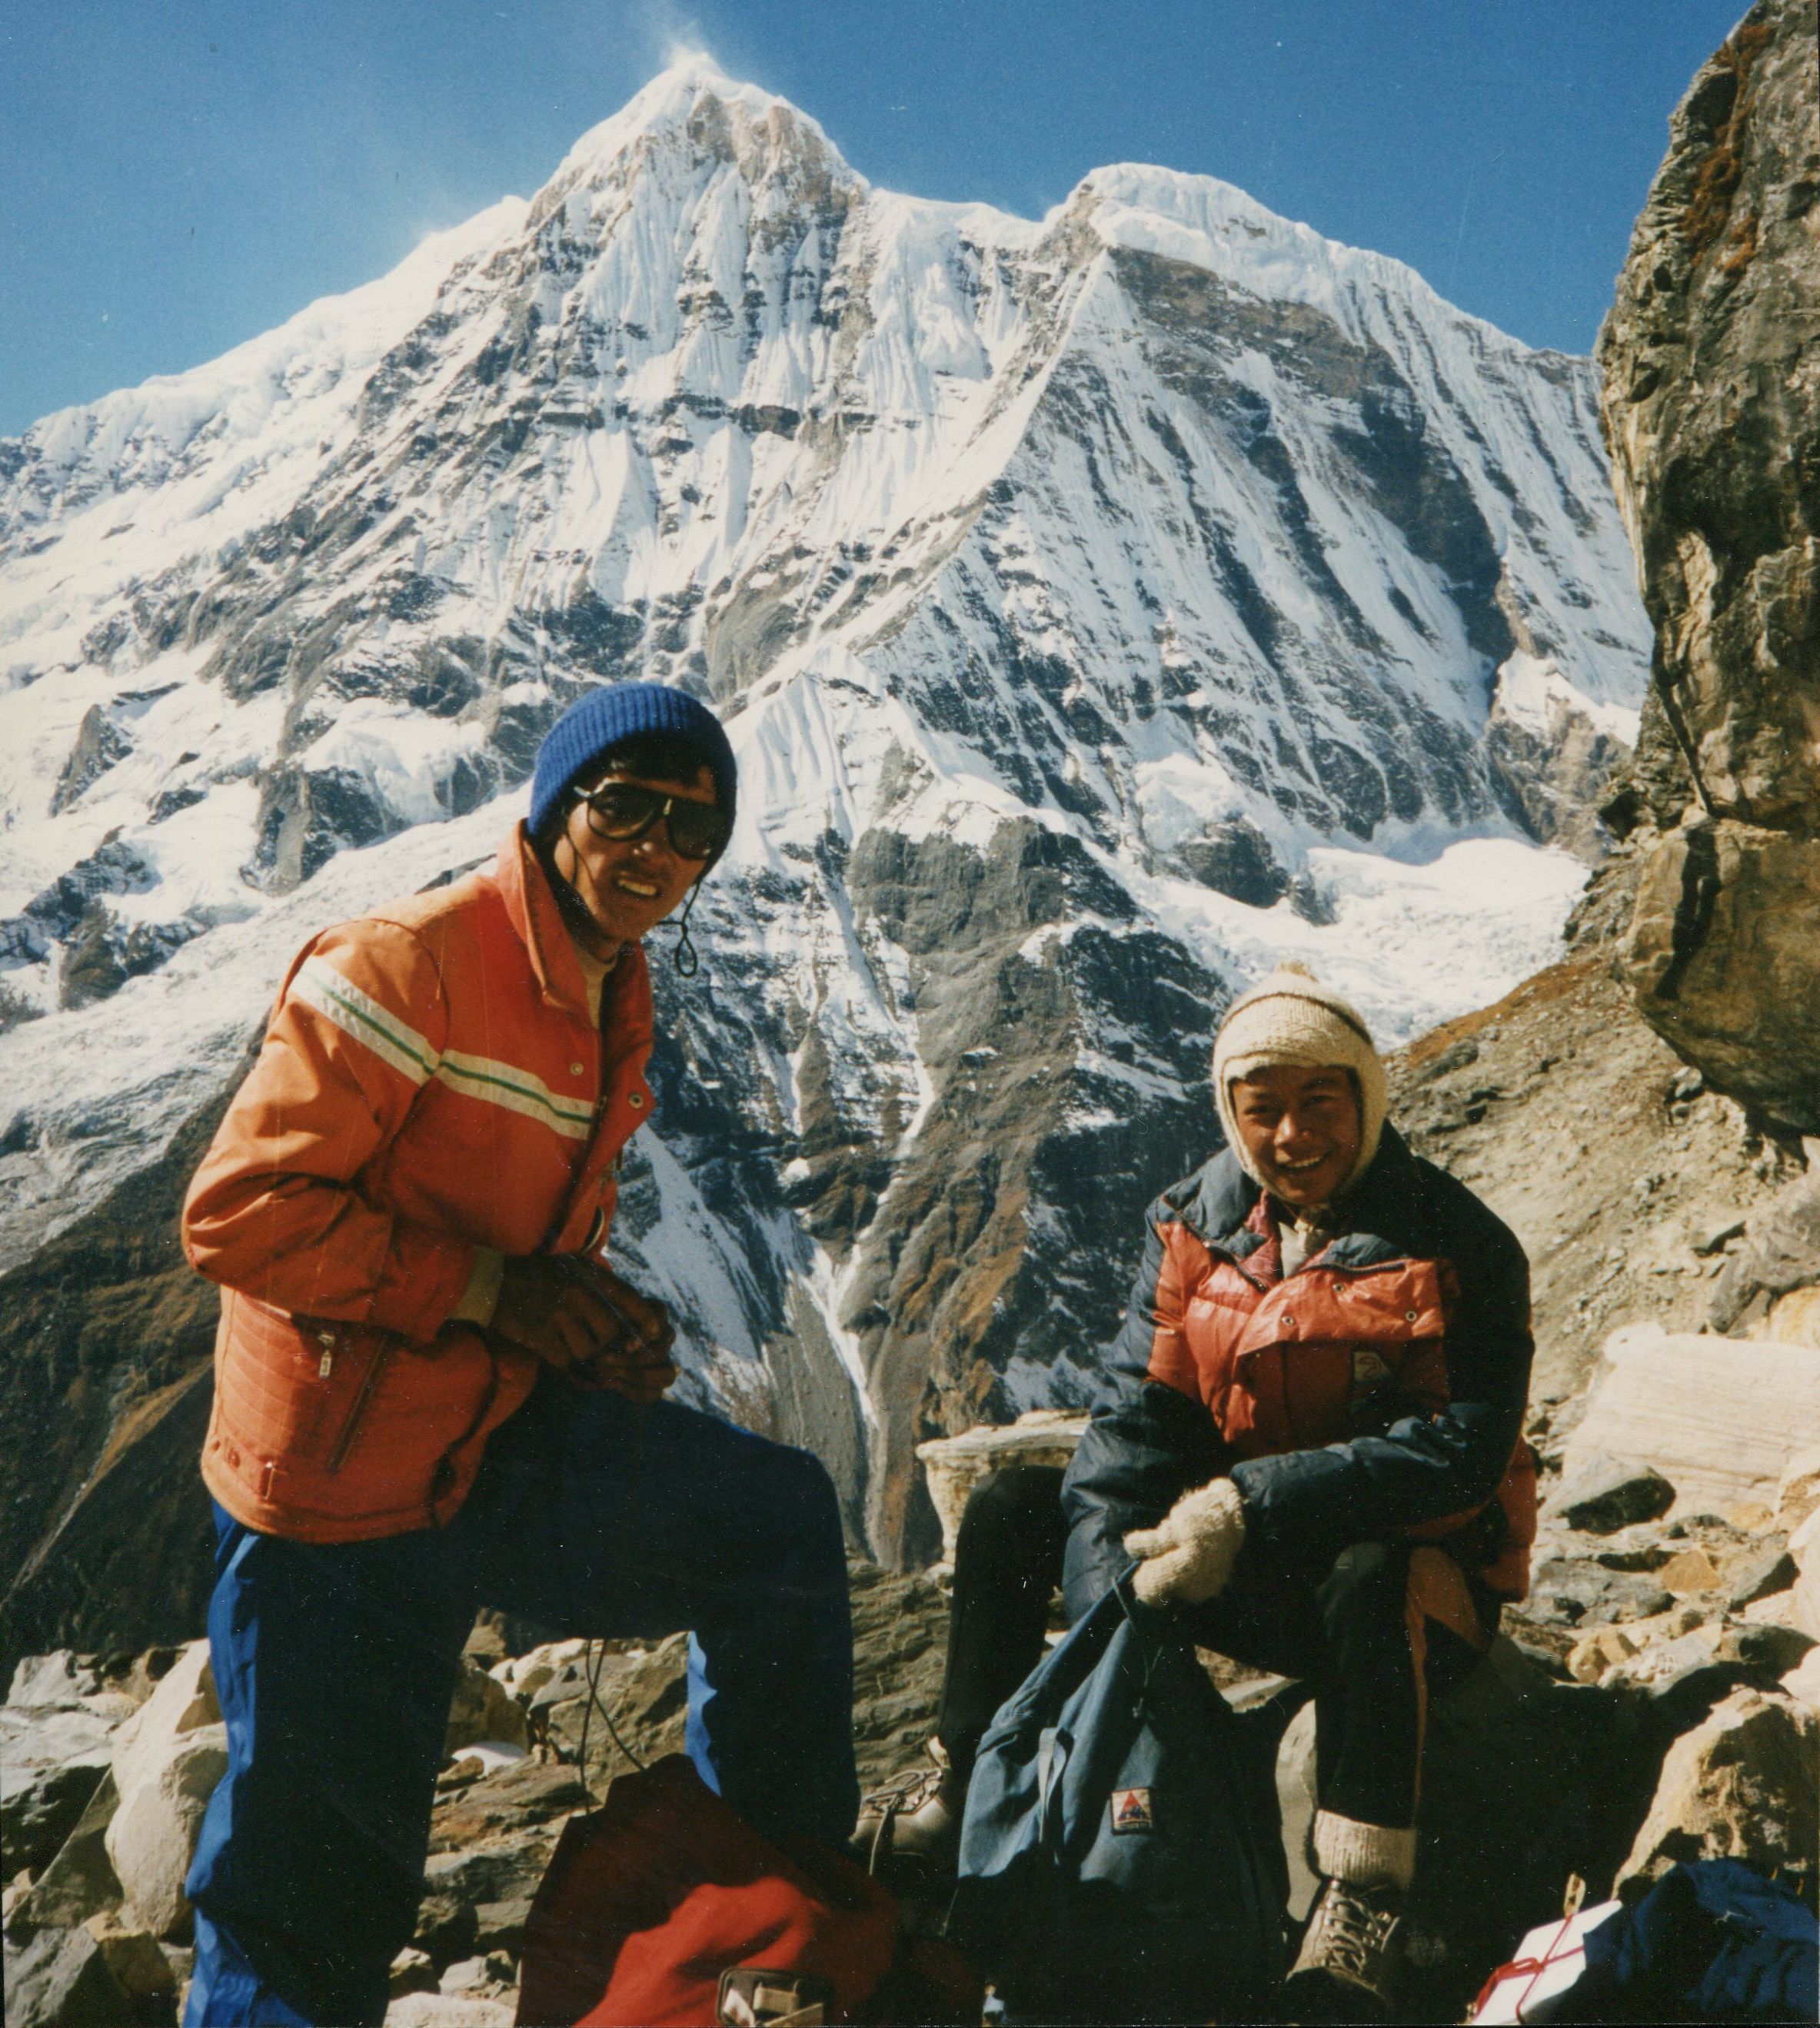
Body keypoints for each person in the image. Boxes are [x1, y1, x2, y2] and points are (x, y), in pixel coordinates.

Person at [178, 683, 858, 2028]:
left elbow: (496, 1219)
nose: (657, 848)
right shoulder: (406, 963)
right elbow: (239, 1211)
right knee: (310, 1894)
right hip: (338, 1476)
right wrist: (499, 1294)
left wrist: (581, 1317)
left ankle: (754, 1932)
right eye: (626, 807)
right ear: (556, 811)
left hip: (486, 1422)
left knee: (774, 1525)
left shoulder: (605, 987)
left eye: (692, 827)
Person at [857, 962, 1535, 2020]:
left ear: (1366, 1098)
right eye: (1262, 1108)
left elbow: (1462, 1452)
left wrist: (1244, 1507)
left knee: (1374, 1569)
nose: (1294, 1133)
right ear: (1230, 1111)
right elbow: (1139, 1420)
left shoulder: (1458, 1244)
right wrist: (1112, 1619)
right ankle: (964, 1777)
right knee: (1013, 1510)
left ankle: (1360, 1894)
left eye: (1322, 1101)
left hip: (1413, 1586)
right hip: (1242, 1557)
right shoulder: (1194, 1223)